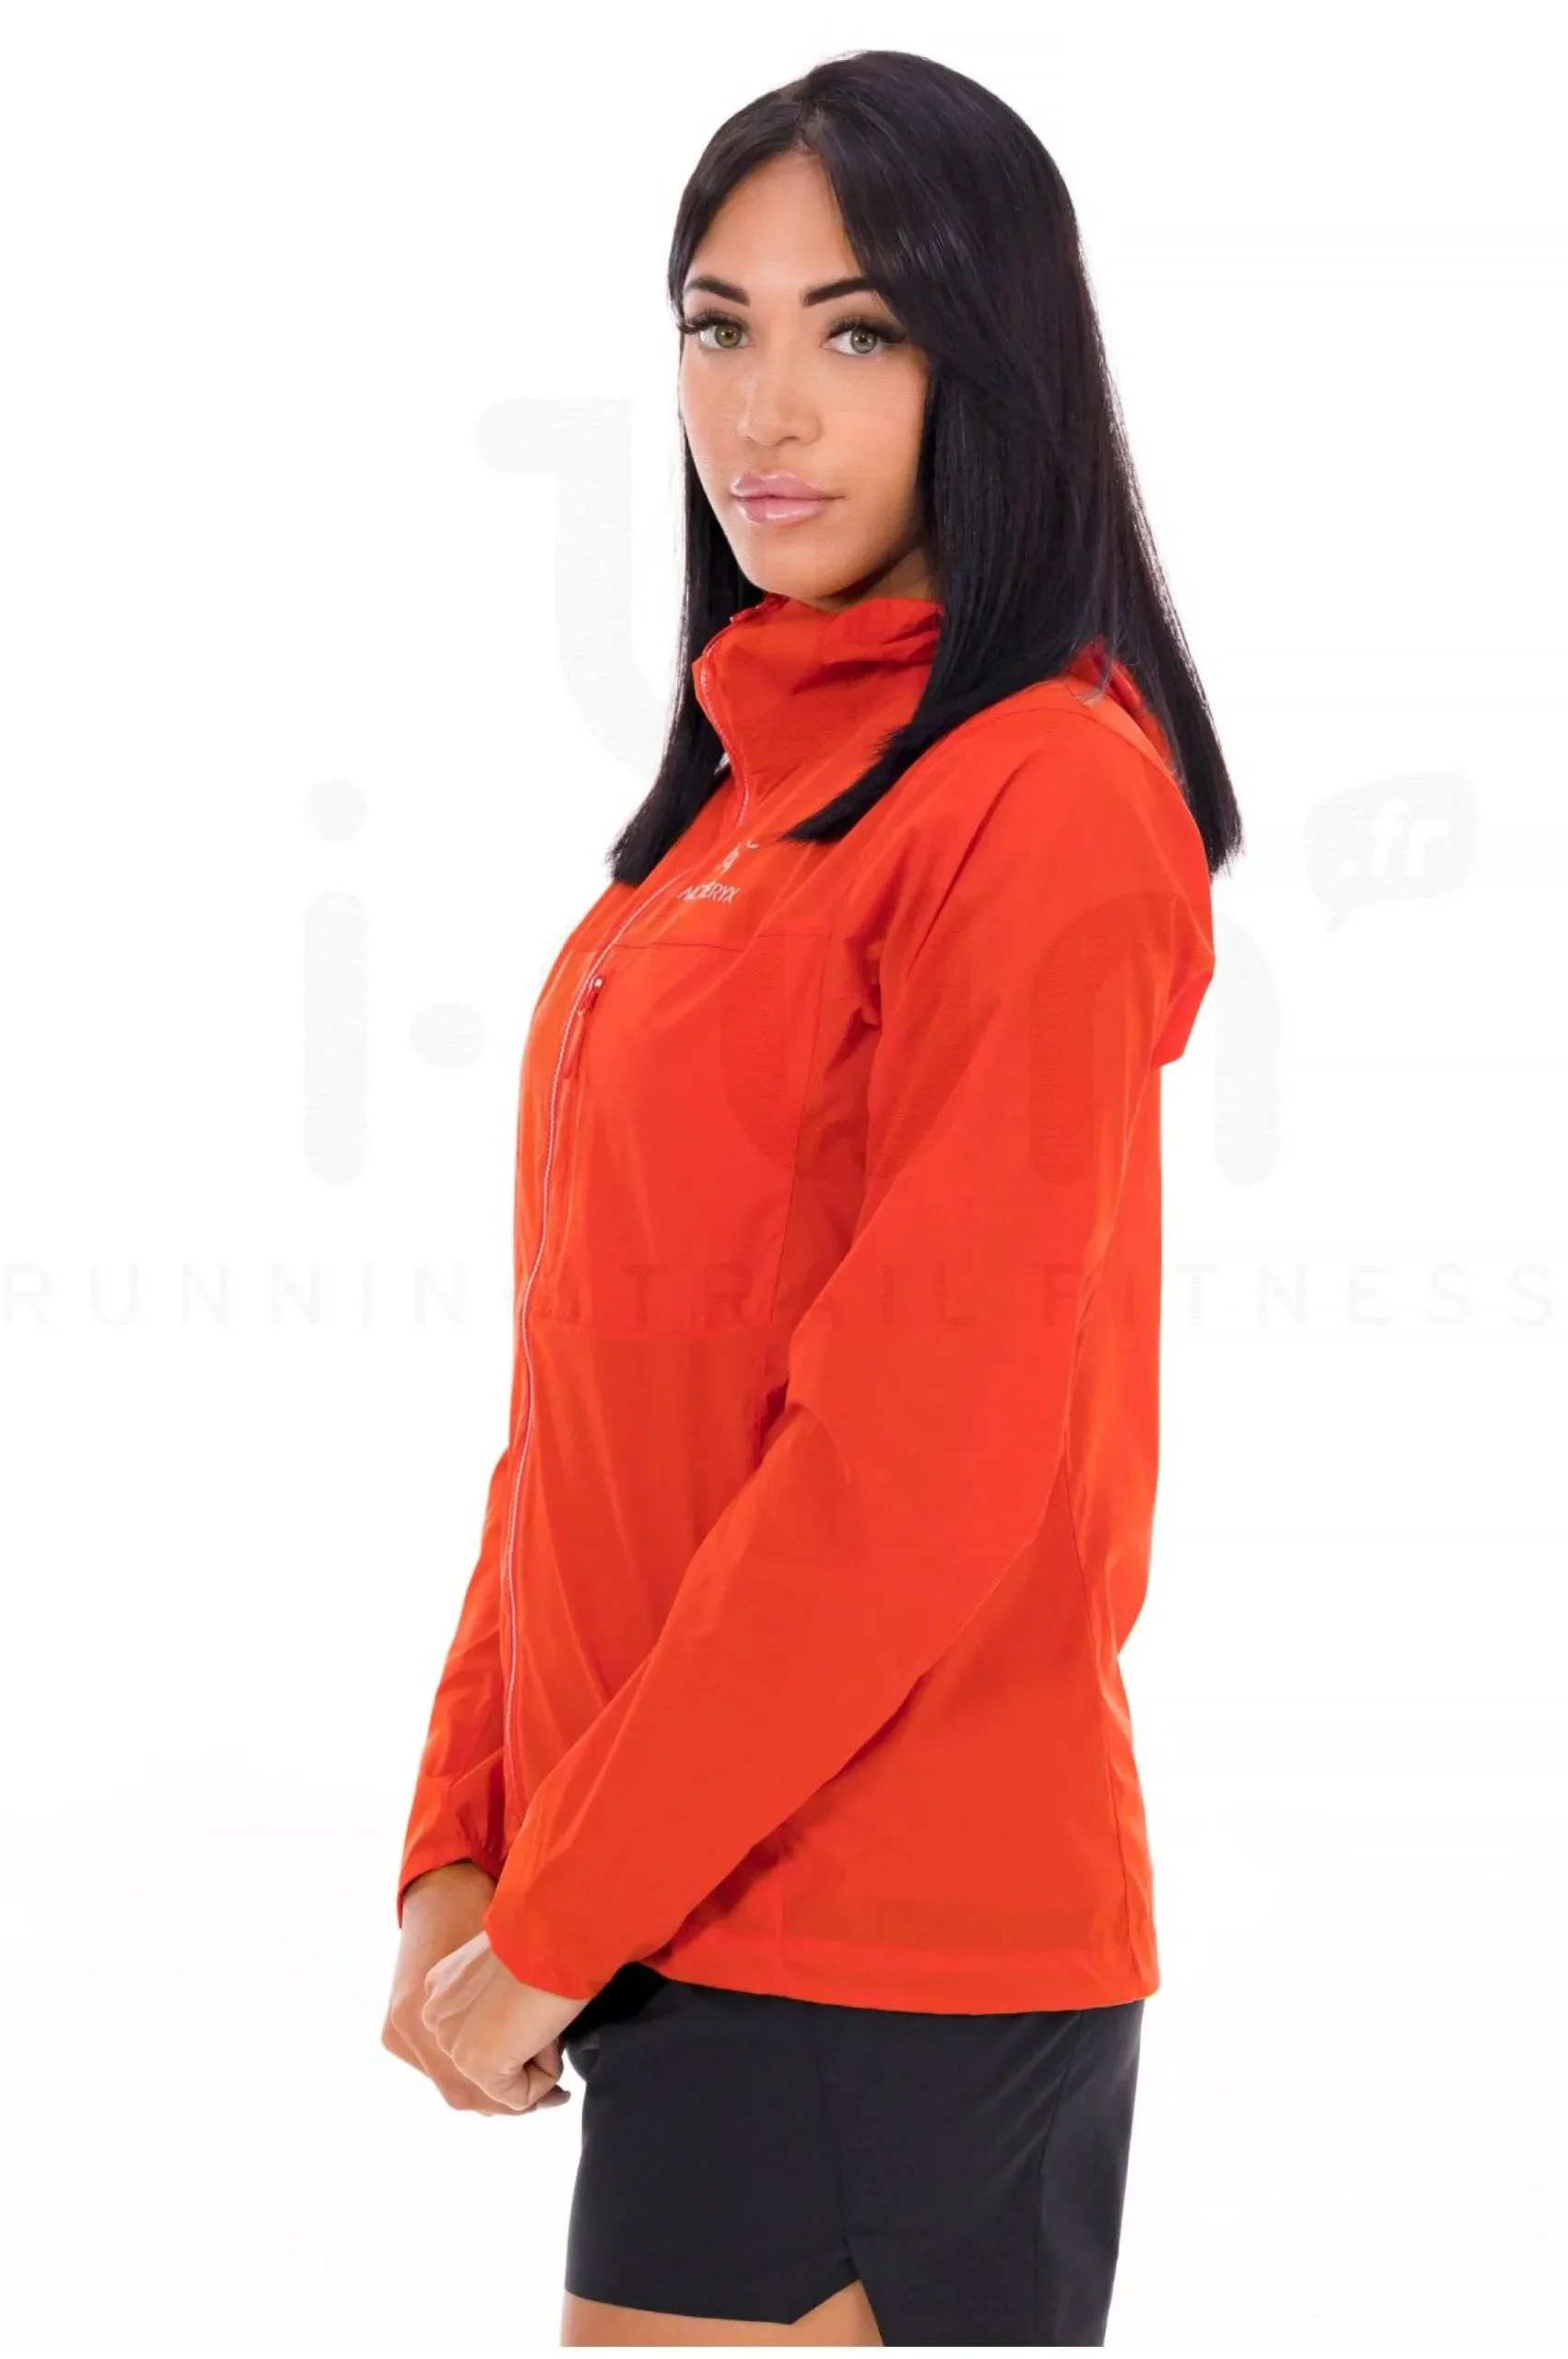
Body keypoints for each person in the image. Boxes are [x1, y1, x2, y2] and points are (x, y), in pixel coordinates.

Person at [381, 46, 1241, 2351]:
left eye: (856, 331)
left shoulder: (1039, 796)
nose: (763, 409)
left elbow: (913, 1459)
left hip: (880, 1937)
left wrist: (556, 1909)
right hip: (677, 1906)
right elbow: (590, 1392)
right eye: (716, 323)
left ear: (991, 360)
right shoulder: (724, 823)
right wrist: (464, 1835)